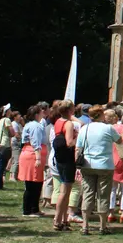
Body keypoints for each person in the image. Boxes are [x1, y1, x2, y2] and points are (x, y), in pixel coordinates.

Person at [75, 105, 123, 235]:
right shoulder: (108, 128)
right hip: (105, 165)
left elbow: (78, 148)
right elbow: (119, 141)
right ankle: (103, 226)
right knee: (103, 195)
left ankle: (85, 225)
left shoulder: (84, 129)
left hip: (87, 164)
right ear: (101, 115)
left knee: (87, 194)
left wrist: (77, 166)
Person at [51, 99, 78, 232]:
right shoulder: (68, 124)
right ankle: (57, 220)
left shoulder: (58, 122)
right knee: (64, 191)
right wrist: (78, 137)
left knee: (65, 189)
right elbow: (69, 143)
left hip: (59, 158)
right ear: (69, 110)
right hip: (67, 159)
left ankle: (64, 219)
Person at [19, 106, 46, 217]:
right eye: (41, 112)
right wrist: (38, 158)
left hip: (31, 153)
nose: (43, 113)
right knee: (32, 183)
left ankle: (34, 208)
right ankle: (28, 210)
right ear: (36, 114)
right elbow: (35, 142)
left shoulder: (30, 124)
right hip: (33, 155)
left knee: (36, 183)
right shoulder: (35, 126)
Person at [0, 107, 16, 190]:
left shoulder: (1, 120)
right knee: (1, 165)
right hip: (4, 144)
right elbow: (12, 132)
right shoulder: (7, 120)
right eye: (9, 109)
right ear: (6, 112)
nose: (11, 110)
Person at [8, 111, 23, 183]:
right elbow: (16, 135)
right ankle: (12, 176)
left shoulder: (18, 124)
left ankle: (16, 176)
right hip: (16, 143)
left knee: (17, 159)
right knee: (16, 160)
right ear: (15, 117)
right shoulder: (14, 124)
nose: (20, 116)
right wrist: (23, 140)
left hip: (18, 143)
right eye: (18, 115)